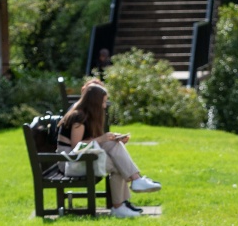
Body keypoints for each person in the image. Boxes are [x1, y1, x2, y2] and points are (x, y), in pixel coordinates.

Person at [57, 81, 161, 218]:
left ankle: (129, 192)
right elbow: (76, 147)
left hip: (83, 158)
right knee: (118, 164)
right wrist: (102, 138)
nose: (105, 105)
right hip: (70, 162)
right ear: (94, 101)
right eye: (103, 102)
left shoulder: (88, 115)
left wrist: (112, 138)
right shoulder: (78, 117)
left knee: (114, 145)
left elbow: (91, 142)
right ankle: (123, 200)